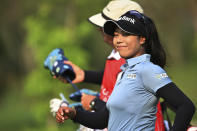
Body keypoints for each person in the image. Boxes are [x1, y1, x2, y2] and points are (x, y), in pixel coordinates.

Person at [55, 10, 195, 131]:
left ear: (142, 39)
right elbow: (103, 120)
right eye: (116, 35)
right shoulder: (124, 72)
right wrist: (73, 113)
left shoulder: (148, 70)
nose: (119, 40)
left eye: (126, 34)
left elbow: (185, 106)